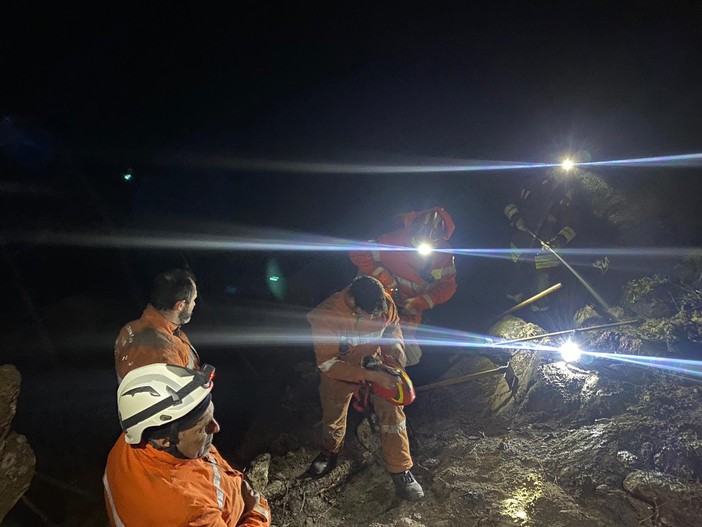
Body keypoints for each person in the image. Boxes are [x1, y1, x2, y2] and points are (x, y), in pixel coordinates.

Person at [103, 362, 271, 526]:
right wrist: (258, 511)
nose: (216, 428)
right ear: (165, 439)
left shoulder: (138, 440)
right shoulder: (188, 510)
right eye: (202, 427)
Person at [305, 275, 424, 501]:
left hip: (375, 362)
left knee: (393, 412)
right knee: (334, 415)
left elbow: (392, 330)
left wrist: (394, 357)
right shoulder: (326, 316)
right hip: (340, 371)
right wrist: (368, 375)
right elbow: (327, 364)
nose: (374, 318)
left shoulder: (382, 302)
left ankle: (401, 470)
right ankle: (329, 452)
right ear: (352, 300)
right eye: (368, 315)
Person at [350, 207, 457, 365]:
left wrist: (420, 302)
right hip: (379, 296)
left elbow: (448, 286)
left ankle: (388, 373)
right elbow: (357, 251)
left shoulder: (444, 255)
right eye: (418, 240)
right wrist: (383, 275)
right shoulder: (393, 241)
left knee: (411, 357)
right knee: (365, 338)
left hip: (407, 306)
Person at [503, 169, 577, 312]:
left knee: (542, 280)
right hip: (522, 242)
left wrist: (560, 239)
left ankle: (540, 308)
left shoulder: (567, 196)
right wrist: (517, 219)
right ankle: (513, 302)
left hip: (547, 248)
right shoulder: (529, 185)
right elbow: (509, 204)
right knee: (516, 276)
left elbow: (573, 224)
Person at [114, 268, 200, 382]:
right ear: (180, 305)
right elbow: (178, 397)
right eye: (194, 299)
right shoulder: (162, 353)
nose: (194, 304)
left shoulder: (131, 327)